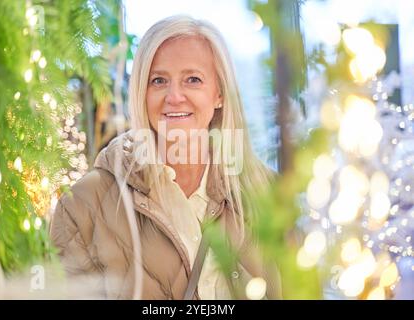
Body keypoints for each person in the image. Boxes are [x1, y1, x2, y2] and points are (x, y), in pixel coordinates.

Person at [50, 15, 281, 300]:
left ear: (219, 94)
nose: (174, 96)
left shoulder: (268, 193)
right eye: (158, 80)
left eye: (192, 80)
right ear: (142, 93)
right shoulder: (84, 205)